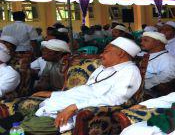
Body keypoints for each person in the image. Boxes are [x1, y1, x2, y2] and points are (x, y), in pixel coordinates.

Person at [0, 37, 141, 134]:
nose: (101, 55)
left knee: (13, 131)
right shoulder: (103, 68)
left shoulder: (130, 71)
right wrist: (53, 94)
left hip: (62, 114)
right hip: (52, 105)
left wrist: (74, 107)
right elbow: (84, 91)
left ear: (121, 53)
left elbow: (116, 98)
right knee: (6, 123)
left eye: (106, 51)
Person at [140, 32, 175, 97]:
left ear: (158, 42)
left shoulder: (168, 60)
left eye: (145, 40)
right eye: (142, 40)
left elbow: (167, 78)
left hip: (151, 94)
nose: (141, 43)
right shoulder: (143, 55)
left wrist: (142, 83)